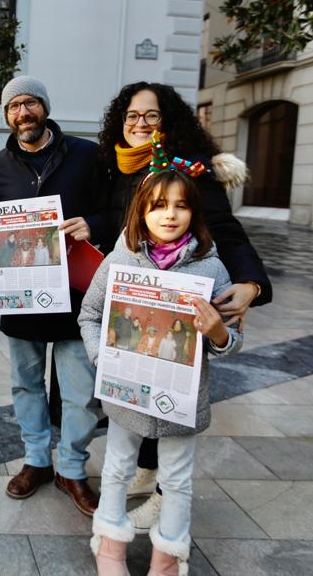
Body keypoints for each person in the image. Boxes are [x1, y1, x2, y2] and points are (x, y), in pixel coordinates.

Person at [96, 82, 273, 529]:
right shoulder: (117, 167)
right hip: (134, 299)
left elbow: (226, 230)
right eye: (132, 115)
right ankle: (146, 470)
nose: (140, 123)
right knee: (139, 394)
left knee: (171, 400)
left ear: (168, 122)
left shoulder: (187, 172)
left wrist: (251, 283)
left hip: (178, 304)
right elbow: (115, 223)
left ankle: (163, 495)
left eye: (151, 115)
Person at [79, 169, 243, 576]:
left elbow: (232, 339)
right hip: (126, 393)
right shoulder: (119, 260)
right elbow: (90, 314)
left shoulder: (211, 268)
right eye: (158, 206)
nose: (169, 215)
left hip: (180, 400)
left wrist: (218, 333)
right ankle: (109, 545)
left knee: (177, 479)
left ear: (194, 213)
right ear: (141, 212)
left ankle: (168, 556)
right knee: (117, 468)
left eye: (180, 206)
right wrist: (103, 358)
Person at [0, 75, 108, 516]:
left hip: (76, 295)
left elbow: (116, 209)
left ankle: (71, 468)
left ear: (45, 108)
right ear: (6, 115)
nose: (22, 113)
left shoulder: (86, 155)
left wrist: (94, 224)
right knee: (26, 383)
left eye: (30, 103)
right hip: (21, 296)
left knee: (80, 392)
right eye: (13, 106)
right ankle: (36, 461)